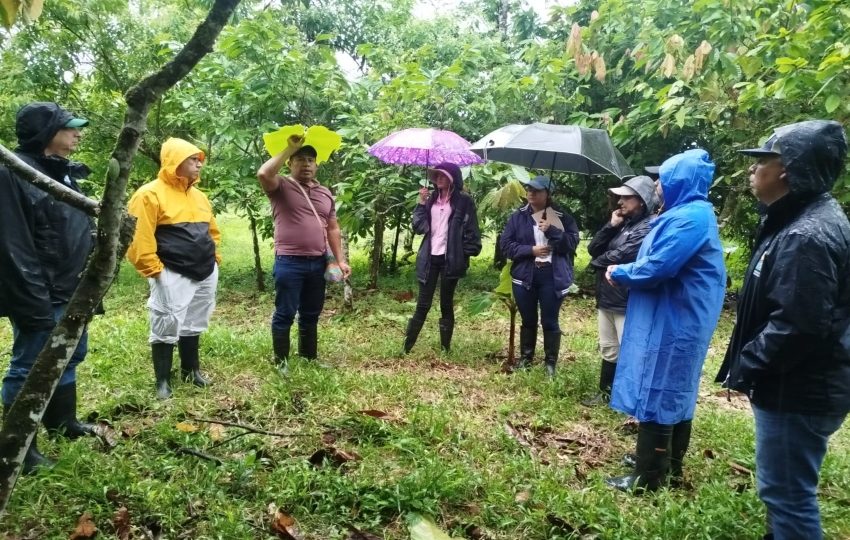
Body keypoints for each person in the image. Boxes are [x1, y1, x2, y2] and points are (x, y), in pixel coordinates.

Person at [716, 120, 849, 540]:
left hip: (800, 390)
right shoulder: (796, 221)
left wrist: (748, 364)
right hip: (799, 384)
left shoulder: (806, 234)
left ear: (788, 169)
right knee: (784, 492)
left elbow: (799, 325)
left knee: (788, 494)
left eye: (762, 162)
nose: (752, 171)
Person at [604, 149, 726, 492]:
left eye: (662, 178)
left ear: (678, 180)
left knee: (662, 386)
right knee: (673, 388)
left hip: (678, 316)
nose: (656, 185)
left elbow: (659, 265)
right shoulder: (687, 213)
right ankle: (666, 462)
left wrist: (621, 271)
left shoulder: (690, 218)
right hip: (676, 311)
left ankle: (649, 477)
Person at [0, 102, 96, 472]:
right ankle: (19, 448)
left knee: (70, 354)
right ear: (46, 133)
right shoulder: (14, 174)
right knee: (29, 365)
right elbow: (13, 245)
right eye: (69, 127)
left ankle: (62, 422)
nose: (77, 133)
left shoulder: (60, 172)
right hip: (42, 291)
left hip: (73, 287)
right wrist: (33, 303)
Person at [127, 138, 221, 400]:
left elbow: (212, 231)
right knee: (166, 321)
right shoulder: (149, 194)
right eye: (193, 159)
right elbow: (138, 237)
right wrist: (154, 269)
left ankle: (191, 371)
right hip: (171, 270)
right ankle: (163, 381)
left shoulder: (199, 196)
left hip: (205, 269)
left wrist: (216, 258)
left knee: (194, 321)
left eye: (199, 159)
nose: (199, 163)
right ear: (175, 161)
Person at [257, 135, 351, 371]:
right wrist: (290, 147)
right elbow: (263, 174)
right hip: (289, 261)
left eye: (310, 160)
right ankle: (281, 362)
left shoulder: (325, 193)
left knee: (311, 312)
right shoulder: (281, 185)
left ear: (317, 165)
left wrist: (340, 260)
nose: (306, 164)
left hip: (319, 262)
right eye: (300, 159)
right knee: (285, 313)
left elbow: (333, 228)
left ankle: (309, 357)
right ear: (290, 163)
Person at [583, 175, 658, 406]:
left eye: (626, 198)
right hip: (607, 297)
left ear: (642, 200)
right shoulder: (622, 224)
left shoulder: (648, 226)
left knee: (631, 351)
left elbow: (623, 254)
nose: (620, 202)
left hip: (627, 299)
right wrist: (610, 226)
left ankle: (631, 399)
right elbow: (593, 248)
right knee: (609, 348)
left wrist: (596, 263)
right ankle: (606, 393)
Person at [500, 175, 580, 377]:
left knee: (550, 321)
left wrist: (552, 230)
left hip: (552, 276)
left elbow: (571, 244)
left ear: (548, 194)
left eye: (536, 190)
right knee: (528, 319)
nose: (531, 193)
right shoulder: (518, 217)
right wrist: (531, 250)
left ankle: (550, 363)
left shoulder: (561, 216)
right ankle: (526, 358)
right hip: (525, 275)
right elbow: (506, 246)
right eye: (529, 189)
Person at [403, 163, 481, 354]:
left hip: (450, 260)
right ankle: (407, 347)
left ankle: (445, 348)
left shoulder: (464, 201)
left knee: (446, 303)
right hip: (430, 258)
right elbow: (419, 227)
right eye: (436, 175)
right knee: (423, 303)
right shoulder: (431, 200)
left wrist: (462, 253)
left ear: (452, 178)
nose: (438, 178)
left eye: (443, 175)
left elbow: (472, 232)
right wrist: (421, 203)